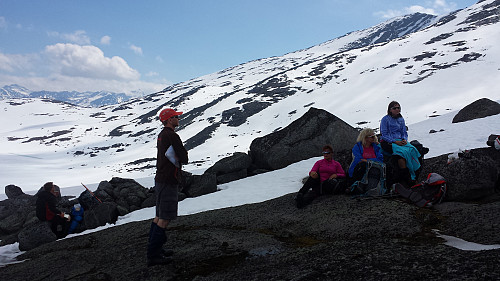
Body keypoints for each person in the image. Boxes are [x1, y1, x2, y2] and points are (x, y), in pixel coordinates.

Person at [146, 108, 188, 267]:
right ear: (170, 120)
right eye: (176, 117)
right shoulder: (172, 135)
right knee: (165, 218)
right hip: (168, 180)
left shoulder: (162, 135)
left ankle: (156, 250)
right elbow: (184, 157)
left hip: (161, 179)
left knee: (159, 215)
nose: (178, 118)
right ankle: (153, 255)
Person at [380, 101, 421, 187]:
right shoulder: (385, 119)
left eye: (398, 108)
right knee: (401, 155)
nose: (397, 109)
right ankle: (408, 179)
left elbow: (404, 132)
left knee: (413, 151)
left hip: (400, 140)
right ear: (390, 110)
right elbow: (384, 134)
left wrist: (404, 140)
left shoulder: (401, 119)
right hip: (388, 142)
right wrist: (394, 141)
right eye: (394, 108)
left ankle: (415, 176)